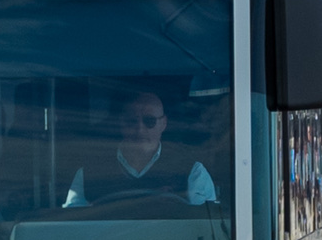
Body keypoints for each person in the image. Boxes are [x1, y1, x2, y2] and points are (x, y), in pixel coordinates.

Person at [60, 84, 220, 210]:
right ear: (120, 123)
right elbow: (72, 221)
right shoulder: (88, 172)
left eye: (149, 121)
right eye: (131, 121)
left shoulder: (192, 170)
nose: (139, 129)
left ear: (163, 123)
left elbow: (205, 224)